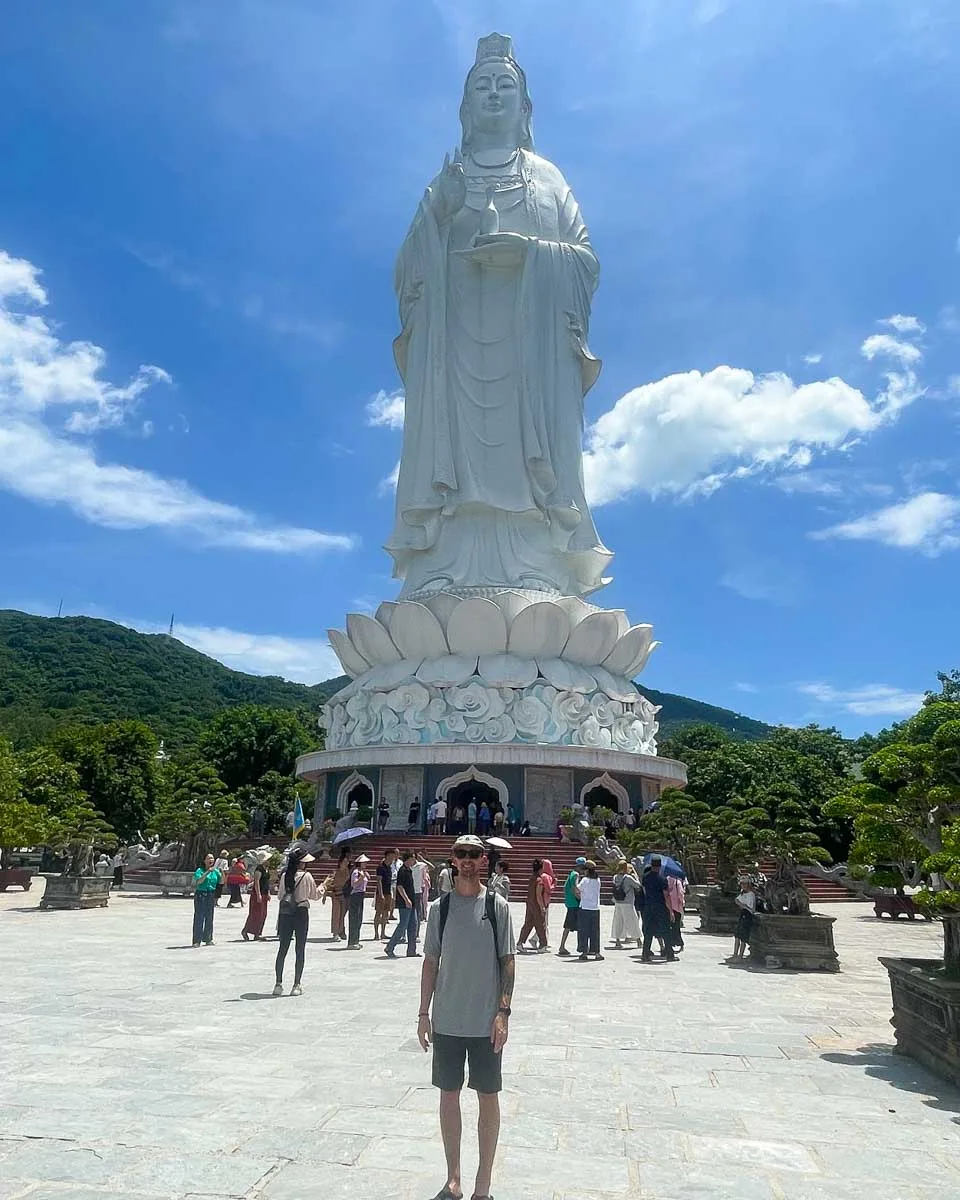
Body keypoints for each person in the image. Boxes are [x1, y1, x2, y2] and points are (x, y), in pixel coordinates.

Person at [418, 834, 516, 1200]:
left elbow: (508, 962)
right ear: (453, 859)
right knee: (449, 1094)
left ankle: (483, 1186)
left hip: (485, 1020)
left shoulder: (498, 906)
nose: (469, 860)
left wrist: (503, 1011)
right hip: (447, 1019)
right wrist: (423, 1013)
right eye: (462, 854)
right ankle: (453, 1179)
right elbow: (430, 962)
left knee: (488, 1096)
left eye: (475, 854)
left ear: (483, 860)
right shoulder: (439, 909)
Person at [273, 847, 319, 996]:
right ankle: (296, 984)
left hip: (286, 913)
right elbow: (314, 895)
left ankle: (278, 983)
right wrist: (324, 886)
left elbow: (280, 896)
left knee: (283, 949)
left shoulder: (286, 875)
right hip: (301, 912)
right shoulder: (307, 876)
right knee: (300, 949)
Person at [640, 858, 676, 963]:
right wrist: (671, 911)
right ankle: (669, 954)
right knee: (665, 931)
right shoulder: (662, 879)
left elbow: (645, 891)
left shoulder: (645, 877)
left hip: (648, 906)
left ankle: (645, 954)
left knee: (648, 931)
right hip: (660, 907)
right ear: (660, 867)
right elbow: (666, 896)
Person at [385, 850, 420, 958]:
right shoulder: (403, 871)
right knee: (403, 925)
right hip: (405, 903)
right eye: (412, 858)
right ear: (408, 859)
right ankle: (390, 947)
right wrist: (406, 900)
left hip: (411, 902)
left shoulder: (409, 870)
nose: (414, 860)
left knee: (413, 926)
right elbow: (400, 887)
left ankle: (411, 951)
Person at [517, 859, 548, 953]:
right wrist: (542, 906)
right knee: (540, 924)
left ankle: (520, 942)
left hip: (529, 903)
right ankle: (543, 944)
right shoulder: (539, 881)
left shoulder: (532, 878)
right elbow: (538, 895)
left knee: (528, 923)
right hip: (536, 905)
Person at [557, 856, 585, 956]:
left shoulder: (571, 874)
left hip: (569, 903)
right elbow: (575, 888)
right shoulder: (576, 875)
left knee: (568, 926)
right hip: (574, 904)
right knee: (578, 926)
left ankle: (562, 946)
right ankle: (580, 947)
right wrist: (580, 898)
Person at [576, 860, 604, 961]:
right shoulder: (598, 880)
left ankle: (584, 952)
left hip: (584, 908)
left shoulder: (584, 880)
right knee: (595, 931)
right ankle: (596, 952)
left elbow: (577, 889)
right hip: (595, 908)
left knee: (584, 931)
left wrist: (576, 880)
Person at [192, 853, 222, 946]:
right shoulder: (200, 870)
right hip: (201, 894)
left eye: (212, 858)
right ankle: (197, 940)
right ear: (204, 861)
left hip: (210, 894)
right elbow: (198, 881)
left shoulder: (216, 871)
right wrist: (207, 872)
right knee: (199, 917)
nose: (211, 860)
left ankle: (208, 938)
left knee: (209, 917)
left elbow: (221, 882)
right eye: (208, 858)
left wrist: (223, 872)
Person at [610, 863, 641, 949]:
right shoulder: (628, 878)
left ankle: (617, 941)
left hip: (618, 901)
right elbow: (638, 885)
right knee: (632, 921)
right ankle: (638, 941)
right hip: (627, 902)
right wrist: (636, 876)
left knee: (618, 921)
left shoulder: (615, 877)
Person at [323, 849, 351, 941]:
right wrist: (325, 895)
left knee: (342, 914)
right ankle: (335, 933)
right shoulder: (336, 871)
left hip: (345, 894)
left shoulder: (348, 871)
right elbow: (329, 883)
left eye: (347, 861)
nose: (346, 863)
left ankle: (340, 930)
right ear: (340, 862)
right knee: (336, 914)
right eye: (345, 861)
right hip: (336, 894)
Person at [242, 858, 271, 940]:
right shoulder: (259, 869)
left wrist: (268, 893)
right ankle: (246, 930)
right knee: (256, 914)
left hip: (264, 893)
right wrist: (258, 894)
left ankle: (257, 933)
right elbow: (257, 882)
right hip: (258, 894)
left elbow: (267, 882)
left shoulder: (266, 869)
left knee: (263, 914)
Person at [347, 854, 370, 948]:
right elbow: (354, 884)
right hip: (355, 895)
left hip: (361, 895)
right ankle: (352, 941)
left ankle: (356, 939)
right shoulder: (356, 872)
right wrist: (361, 878)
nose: (365, 864)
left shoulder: (362, 871)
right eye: (364, 863)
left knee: (359, 918)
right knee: (354, 918)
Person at [374, 849, 396, 940]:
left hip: (388, 892)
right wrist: (381, 894)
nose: (392, 859)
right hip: (381, 892)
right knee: (378, 912)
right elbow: (378, 881)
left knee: (386, 913)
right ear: (386, 856)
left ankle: (383, 932)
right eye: (391, 857)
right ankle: (376, 933)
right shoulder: (380, 867)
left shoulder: (390, 868)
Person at [732, 877, 756, 960]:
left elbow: (749, 907)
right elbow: (737, 900)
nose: (743, 886)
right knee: (737, 936)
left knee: (743, 937)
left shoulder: (751, 894)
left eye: (745, 884)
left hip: (747, 915)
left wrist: (741, 904)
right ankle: (735, 954)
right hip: (742, 914)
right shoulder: (742, 893)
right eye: (742, 884)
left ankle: (740, 955)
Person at [666, 872, 687, 952]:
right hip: (676, 907)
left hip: (668, 907)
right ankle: (680, 943)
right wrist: (682, 904)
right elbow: (681, 894)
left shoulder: (666, 880)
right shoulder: (677, 881)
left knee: (669, 926)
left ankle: (670, 943)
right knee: (676, 926)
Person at [412, 852, 432, 923]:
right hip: (412, 889)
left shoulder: (422, 865)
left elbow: (432, 867)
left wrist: (423, 860)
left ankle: (423, 916)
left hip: (422, 887)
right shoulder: (409, 866)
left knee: (423, 903)